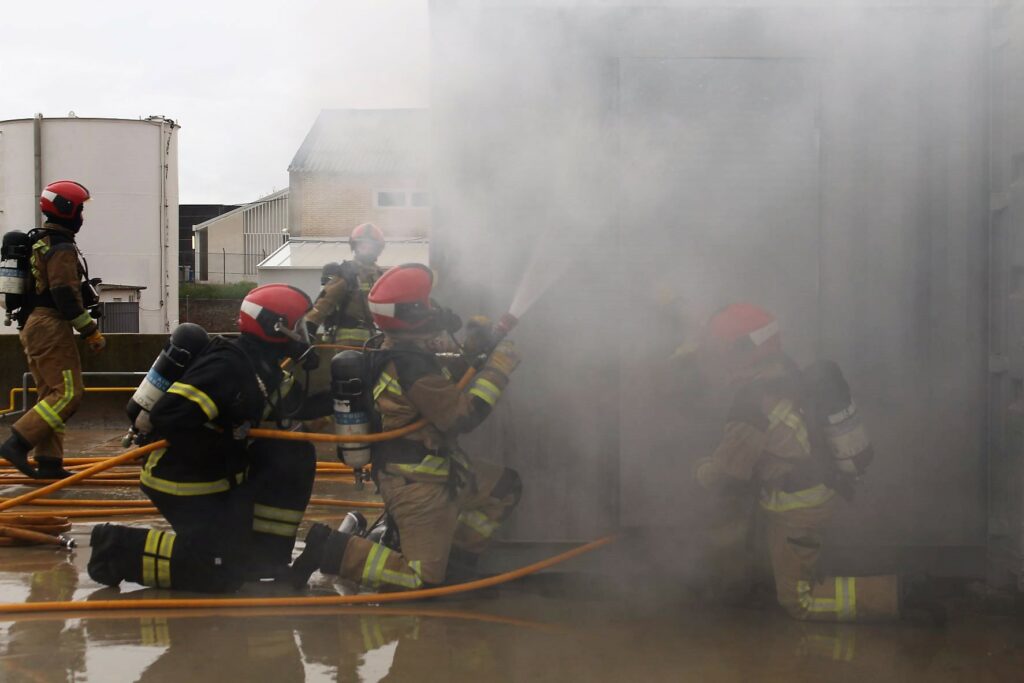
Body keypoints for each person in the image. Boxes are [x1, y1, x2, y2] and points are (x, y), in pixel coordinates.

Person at [689, 303, 939, 622]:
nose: (718, 360)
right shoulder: (782, 369)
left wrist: (697, 470)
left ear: (742, 350)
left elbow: (728, 472)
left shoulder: (750, 406)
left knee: (799, 602)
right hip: (813, 492)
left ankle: (897, 595)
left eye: (722, 351)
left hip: (798, 510)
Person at [291, 263, 522, 590]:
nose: (434, 310)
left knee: (504, 487)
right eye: (426, 305)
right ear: (413, 315)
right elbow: (462, 416)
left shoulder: (404, 354)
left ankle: (456, 569)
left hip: (443, 470)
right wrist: (498, 370)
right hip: (418, 484)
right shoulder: (410, 365)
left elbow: (441, 384)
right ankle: (333, 549)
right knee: (421, 580)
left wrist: (471, 351)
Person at [87, 284, 331, 592]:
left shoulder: (265, 367)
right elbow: (170, 415)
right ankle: (116, 548)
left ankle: (265, 558)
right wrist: (230, 441)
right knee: (222, 573)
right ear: (276, 326)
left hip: (221, 476)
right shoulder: (227, 367)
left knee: (293, 453)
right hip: (183, 481)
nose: (304, 334)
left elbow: (299, 405)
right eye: (298, 325)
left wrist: (354, 392)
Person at [0, 180, 105, 480]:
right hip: (50, 325)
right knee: (69, 393)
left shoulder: (41, 242)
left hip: (34, 323)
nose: (82, 216)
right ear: (67, 209)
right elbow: (64, 295)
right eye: (80, 209)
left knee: (50, 394)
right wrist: (90, 331)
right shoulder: (60, 248)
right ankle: (17, 443)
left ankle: (48, 462)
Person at [305, 222, 388, 349]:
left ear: (378, 249)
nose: (366, 249)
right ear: (355, 247)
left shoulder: (381, 276)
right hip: (347, 341)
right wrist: (309, 328)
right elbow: (325, 302)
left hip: (374, 339)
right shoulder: (347, 272)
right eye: (362, 245)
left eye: (370, 246)